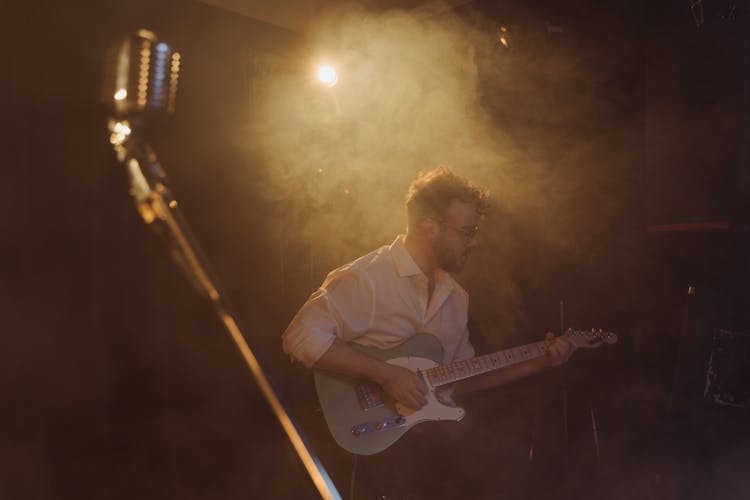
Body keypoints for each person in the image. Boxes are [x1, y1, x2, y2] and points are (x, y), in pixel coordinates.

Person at [282, 166, 577, 497]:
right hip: (372, 447)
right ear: (430, 228)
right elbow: (300, 337)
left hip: (429, 449)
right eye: (466, 232)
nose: (474, 242)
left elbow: (460, 380)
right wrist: (384, 374)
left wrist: (538, 363)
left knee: (517, 464)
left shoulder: (456, 296)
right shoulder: (368, 278)